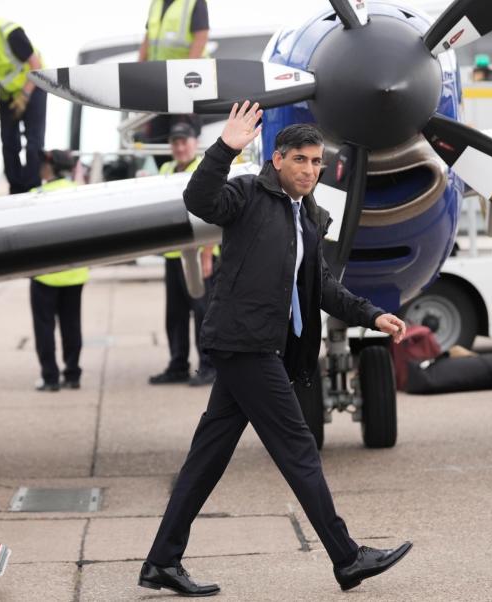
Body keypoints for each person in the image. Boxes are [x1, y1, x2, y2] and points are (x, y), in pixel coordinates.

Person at [138, 103, 412, 596]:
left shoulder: (309, 216)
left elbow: (323, 286)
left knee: (207, 459)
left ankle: (161, 562)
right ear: (278, 160)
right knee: (298, 447)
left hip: (264, 347)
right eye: (301, 160)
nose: (310, 170)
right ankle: (347, 557)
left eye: (317, 163)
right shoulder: (246, 194)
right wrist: (225, 148)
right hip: (245, 344)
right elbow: (199, 198)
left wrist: (371, 314)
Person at [149, 123, 217, 387]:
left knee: (203, 314)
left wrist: (208, 254)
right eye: (175, 142)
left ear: (194, 142)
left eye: (184, 142)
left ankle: (209, 367)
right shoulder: (166, 170)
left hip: (200, 255)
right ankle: (178, 364)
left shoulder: (204, 170)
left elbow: (214, 214)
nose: (179, 147)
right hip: (174, 255)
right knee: (175, 314)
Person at [30, 150, 86, 392]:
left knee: (45, 329)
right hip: (75, 274)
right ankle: (73, 375)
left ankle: (50, 377)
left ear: (50, 168)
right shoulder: (80, 193)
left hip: (45, 275)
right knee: (72, 326)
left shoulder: (37, 195)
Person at [0, 3, 47, 194]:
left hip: (33, 85)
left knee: (34, 142)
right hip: (6, 95)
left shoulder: (10, 34)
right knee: (9, 143)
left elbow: (36, 65)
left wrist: (24, 95)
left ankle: (33, 186)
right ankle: (16, 189)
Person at [138, 0, 209, 166]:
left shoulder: (193, 3)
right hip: (159, 84)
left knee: (182, 140)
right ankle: (167, 177)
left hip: (184, 85)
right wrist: (138, 70)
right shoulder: (156, 3)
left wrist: (184, 74)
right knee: (156, 140)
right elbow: (149, 38)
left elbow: (201, 36)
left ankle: (187, 182)